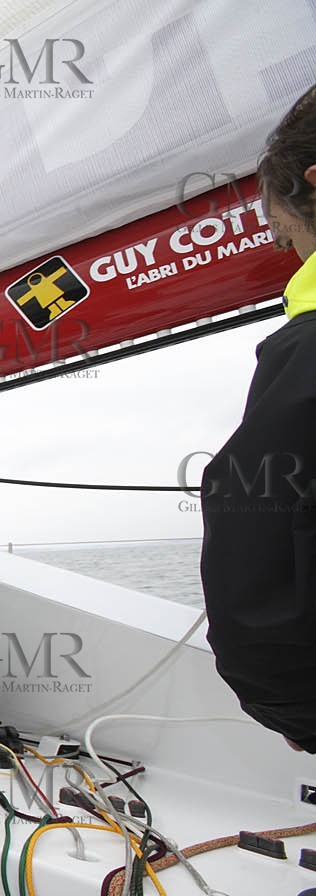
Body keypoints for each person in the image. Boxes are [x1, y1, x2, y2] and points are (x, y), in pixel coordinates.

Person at [201, 83, 316, 755]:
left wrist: (300, 720)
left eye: (288, 238)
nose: (292, 260)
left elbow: (258, 585)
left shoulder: (305, 359)